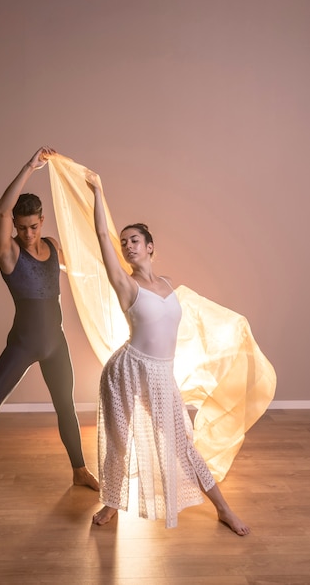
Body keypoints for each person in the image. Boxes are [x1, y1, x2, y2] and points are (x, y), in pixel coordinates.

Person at [0, 146, 99, 533]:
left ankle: (79, 469)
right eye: (21, 227)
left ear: (42, 221)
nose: (27, 234)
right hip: (24, 344)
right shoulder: (8, 252)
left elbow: (74, 267)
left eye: (33, 226)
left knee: (67, 408)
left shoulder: (53, 246)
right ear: (13, 225)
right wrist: (31, 166)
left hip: (55, 344)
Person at [85, 169, 250, 535]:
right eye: (124, 241)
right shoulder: (125, 285)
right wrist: (98, 190)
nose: (128, 245)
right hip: (127, 371)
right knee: (119, 440)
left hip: (161, 374)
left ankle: (223, 509)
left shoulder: (169, 285)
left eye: (135, 240)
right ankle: (111, 502)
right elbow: (101, 235)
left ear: (150, 247)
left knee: (183, 446)